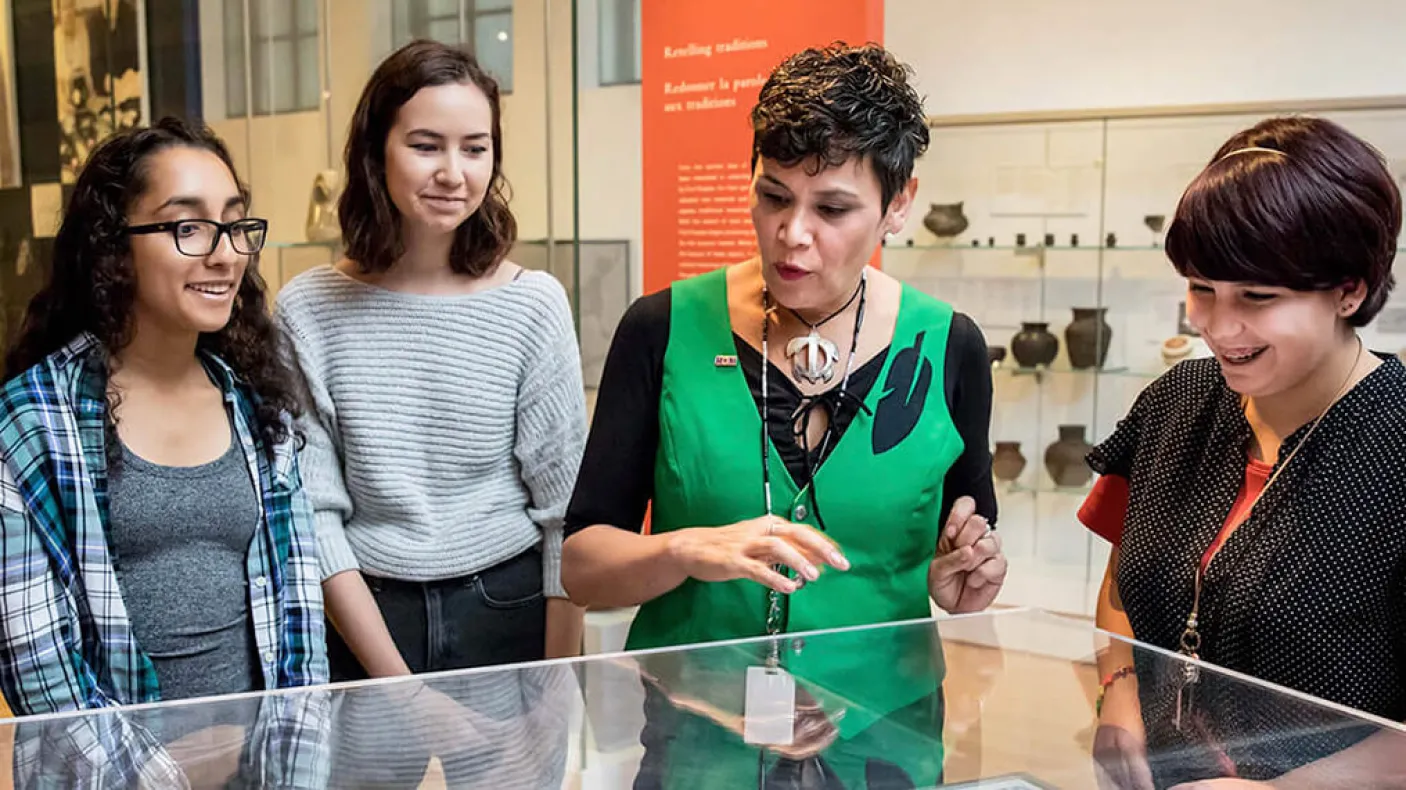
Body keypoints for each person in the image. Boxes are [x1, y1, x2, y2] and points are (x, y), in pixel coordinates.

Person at [561, 43, 1007, 788]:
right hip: (698, 745)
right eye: (773, 197)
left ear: (899, 204)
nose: (793, 233)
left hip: (884, 745)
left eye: (832, 208)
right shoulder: (662, 330)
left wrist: (964, 577)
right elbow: (582, 567)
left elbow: (961, 553)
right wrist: (684, 550)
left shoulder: (948, 348)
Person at [274, 39, 584, 786]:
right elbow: (315, 520)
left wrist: (555, 685)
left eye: (475, 148)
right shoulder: (307, 308)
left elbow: (565, 517)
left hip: (508, 610)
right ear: (374, 152)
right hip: (364, 619)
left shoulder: (533, 305)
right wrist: (405, 693)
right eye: (425, 145)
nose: (454, 172)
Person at [0, 117, 327, 786]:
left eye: (234, 223)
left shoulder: (258, 409)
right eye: (189, 227)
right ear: (114, 248)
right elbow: (41, 667)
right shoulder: (31, 423)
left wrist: (288, 769)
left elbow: (300, 626)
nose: (225, 254)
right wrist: (174, 777)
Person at [1084, 116, 1406, 789]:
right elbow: (1122, 583)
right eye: (1202, 289)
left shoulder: (1393, 439)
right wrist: (1119, 693)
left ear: (1350, 290)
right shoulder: (1177, 403)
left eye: (1258, 298)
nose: (1218, 327)